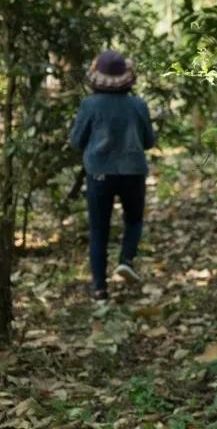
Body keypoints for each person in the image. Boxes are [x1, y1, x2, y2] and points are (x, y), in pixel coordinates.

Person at [69, 50, 156, 301]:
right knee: (134, 220)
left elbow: (76, 141)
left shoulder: (89, 104)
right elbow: (148, 141)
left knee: (99, 230)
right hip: (133, 172)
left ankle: (99, 289)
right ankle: (126, 259)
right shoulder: (138, 104)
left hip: (99, 173)